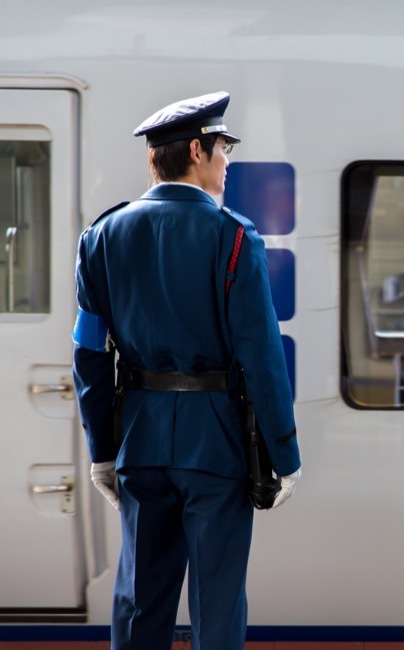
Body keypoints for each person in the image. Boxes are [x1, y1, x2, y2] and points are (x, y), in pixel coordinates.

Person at [71, 91, 301, 650]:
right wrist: (284, 455)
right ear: (196, 151)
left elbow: (90, 354)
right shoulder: (234, 238)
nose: (227, 162)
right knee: (217, 603)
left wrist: (102, 450)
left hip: (140, 441)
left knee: (139, 599)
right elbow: (262, 356)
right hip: (216, 446)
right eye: (223, 148)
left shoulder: (101, 237)